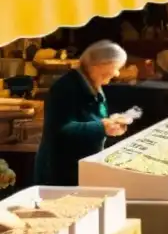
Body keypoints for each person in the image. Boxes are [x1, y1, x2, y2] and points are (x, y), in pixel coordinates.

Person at [34, 41, 130, 186]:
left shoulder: (93, 84)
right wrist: (101, 127)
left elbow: (94, 120)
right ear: (99, 65)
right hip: (60, 175)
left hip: (84, 169)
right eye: (115, 68)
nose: (117, 73)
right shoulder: (65, 87)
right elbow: (61, 130)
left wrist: (112, 124)